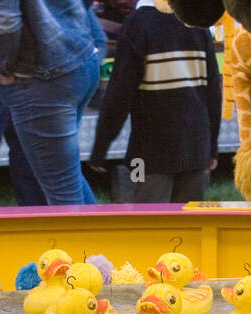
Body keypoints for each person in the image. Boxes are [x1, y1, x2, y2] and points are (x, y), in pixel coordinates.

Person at [88, 0, 221, 203]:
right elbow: (213, 92)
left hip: (147, 154)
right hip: (197, 147)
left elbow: (119, 94)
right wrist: (211, 147)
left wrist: (100, 147)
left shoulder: (137, 24)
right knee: (190, 226)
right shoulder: (196, 23)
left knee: (147, 222)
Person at [0, 0, 105, 205]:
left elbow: (5, 21)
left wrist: (5, 68)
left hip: (41, 73)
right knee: (66, 179)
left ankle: (83, 238)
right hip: (76, 57)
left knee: (63, 189)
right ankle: (99, 237)